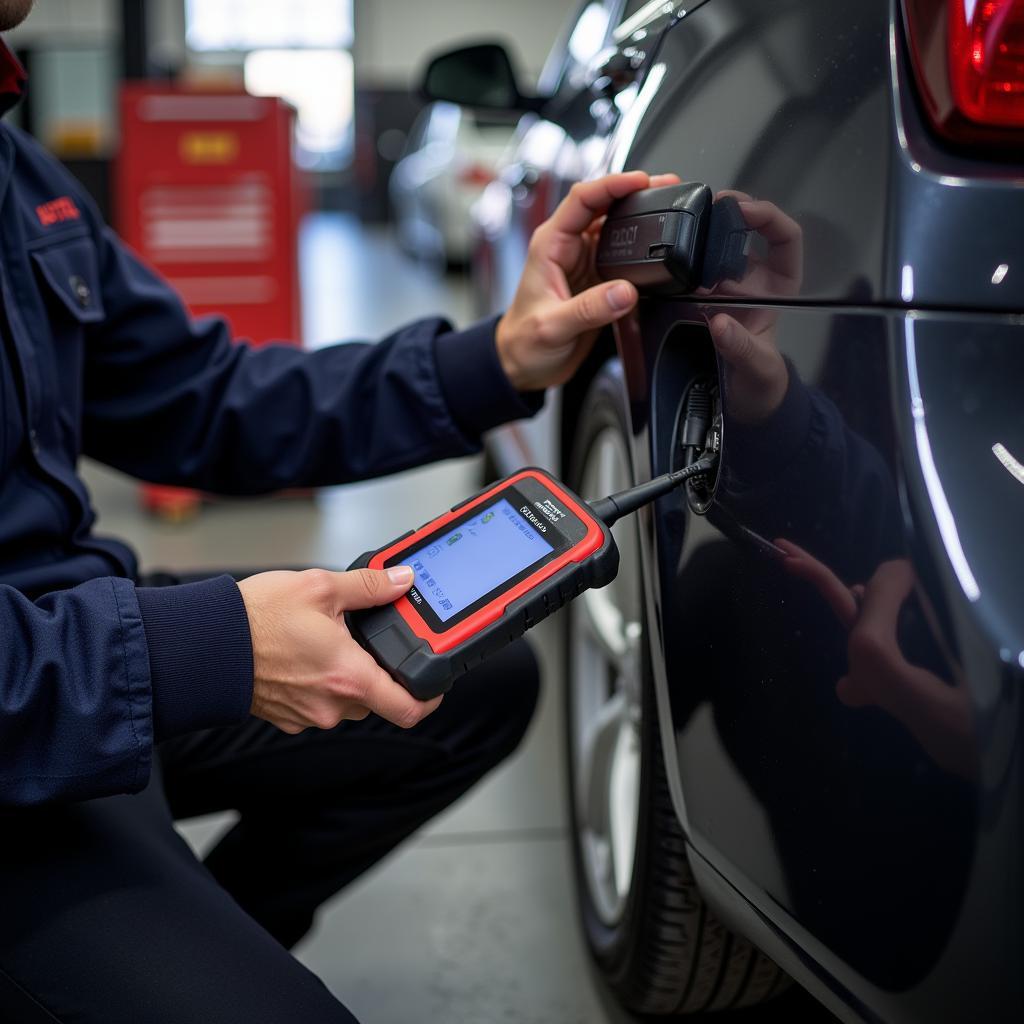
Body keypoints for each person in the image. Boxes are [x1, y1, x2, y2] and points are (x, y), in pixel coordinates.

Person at [0, 3, 676, 1019]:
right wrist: (204, 649)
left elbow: (206, 400)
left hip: (78, 661)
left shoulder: (18, 174)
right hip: (27, 727)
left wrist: (493, 358)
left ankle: (191, 938)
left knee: (472, 680)